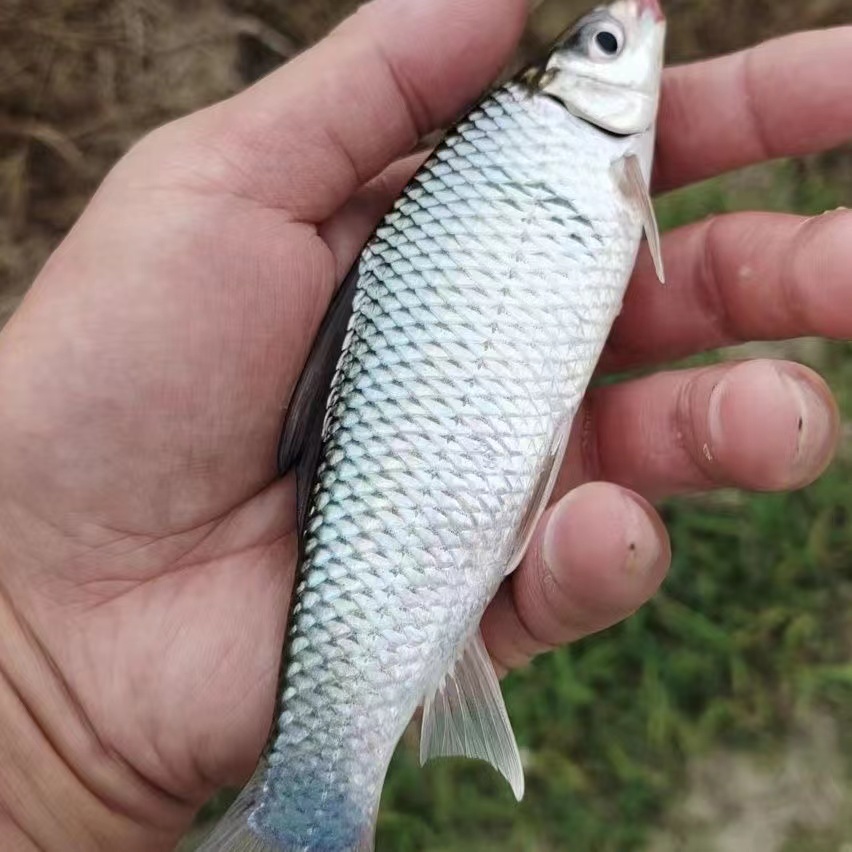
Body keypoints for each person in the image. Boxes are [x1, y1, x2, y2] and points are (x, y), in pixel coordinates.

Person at [0, 0, 848, 847]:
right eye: (608, 42)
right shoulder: (554, 140)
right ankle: (318, 794)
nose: (637, 32)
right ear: (567, 84)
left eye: (608, 39)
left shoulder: (563, 144)